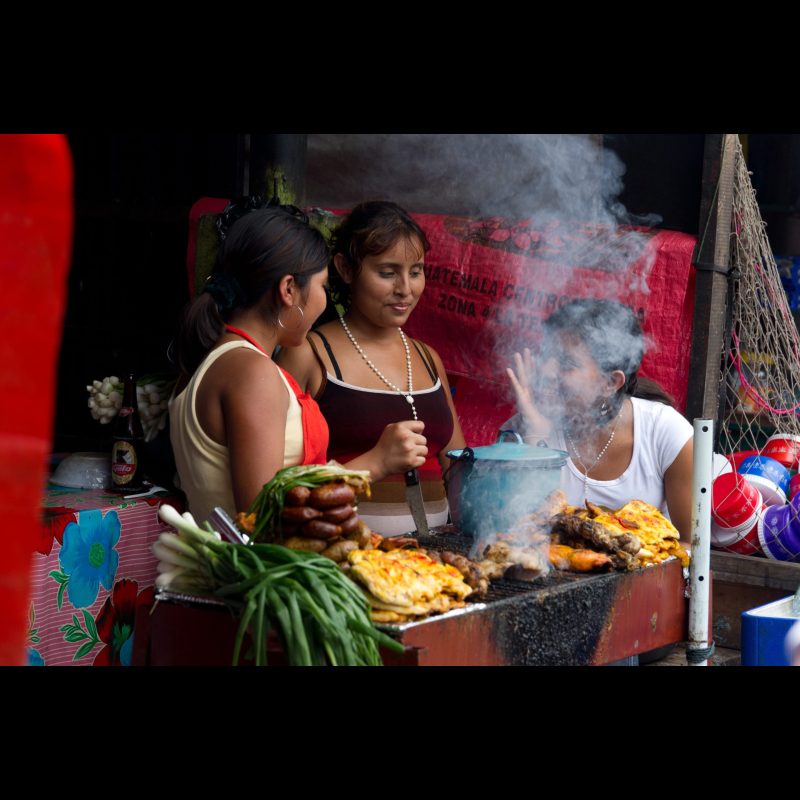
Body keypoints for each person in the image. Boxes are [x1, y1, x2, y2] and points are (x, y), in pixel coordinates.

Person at [277, 200, 465, 536]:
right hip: (347, 564)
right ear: (346, 269)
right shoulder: (309, 355)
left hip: (435, 567)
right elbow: (282, 484)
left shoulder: (427, 358)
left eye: (416, 271)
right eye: (388, 273)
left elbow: (456, 465)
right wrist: (377, 460)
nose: (405, 289)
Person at [170, 204, 331, 525]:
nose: (324, 301)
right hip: (249, 574)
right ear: (289, 289)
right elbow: (260, 515)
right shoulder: (252, 372)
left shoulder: (210, 357)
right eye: (323, 286)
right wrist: (373, 465)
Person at [506, 298, 694, 541]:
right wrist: (535, 437)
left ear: (610, 383)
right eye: (546, 357)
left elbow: (692, 547)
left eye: (566, 363)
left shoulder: (666, 433)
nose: (547, 372)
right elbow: (515, 533)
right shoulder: (523, 428)